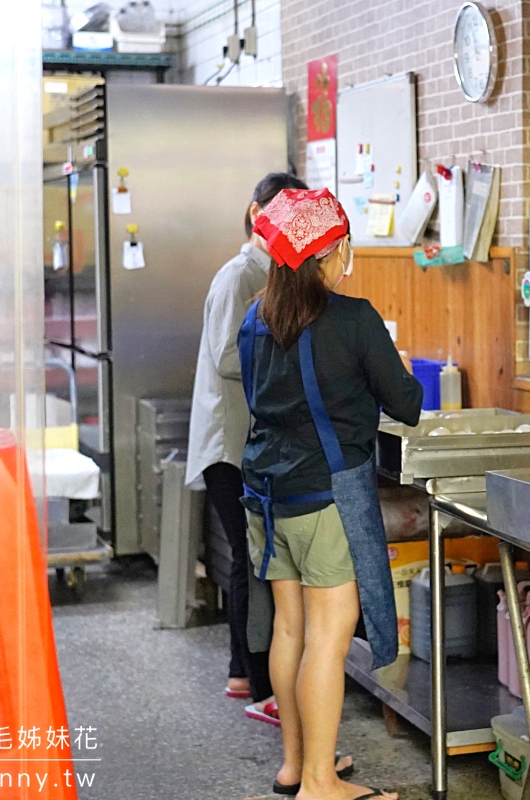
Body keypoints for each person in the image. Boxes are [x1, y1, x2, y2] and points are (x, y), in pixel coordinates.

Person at [238, 188, 421, 800]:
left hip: (265, 491)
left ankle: (295, 765)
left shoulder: (254, 318)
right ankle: (321, 782)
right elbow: (407, 403)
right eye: (345, 249)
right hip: (324, 497)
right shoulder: (352, 317)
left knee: (289, 630)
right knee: (328, 637)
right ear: (333, 252)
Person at [185, 171, 308, 719]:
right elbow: (227, 358)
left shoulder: (269, 273)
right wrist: (293, 357)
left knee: (250, 561)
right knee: (254, 564)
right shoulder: (240, 276)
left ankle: (244, 675)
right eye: (278, 215)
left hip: (242, 442)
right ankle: (261, 688)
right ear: (256, 213)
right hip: (228, 445)